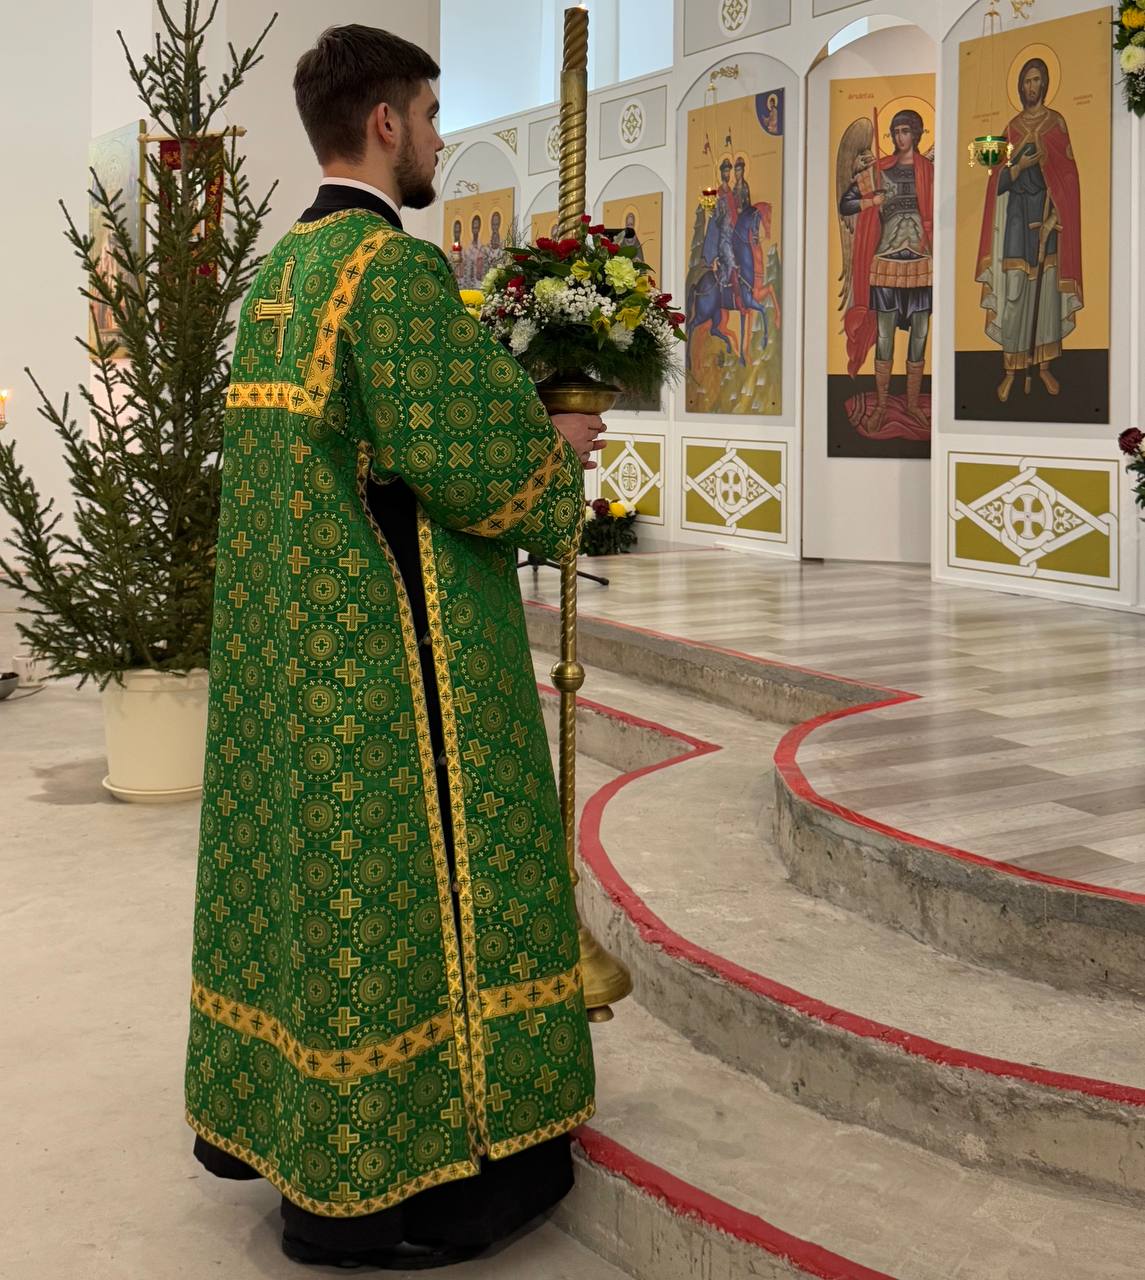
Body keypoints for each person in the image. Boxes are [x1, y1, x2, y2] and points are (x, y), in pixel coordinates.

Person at [183, 23, 605, 1271]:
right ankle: (420, 1185)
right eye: (427, 115)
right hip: (390, 665)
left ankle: (309, 1149)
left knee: (323, 909)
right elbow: (466, 458)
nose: (435, 138)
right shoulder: (390, 271)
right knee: (415, 907)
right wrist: (556, 456)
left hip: (295, 666)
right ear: (383, 123)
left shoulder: (282, 276)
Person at [975, 56, 1082, 402]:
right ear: (1020, 86)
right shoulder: (1011, 129)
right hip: (1017, 223)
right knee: (1015, 294)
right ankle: (1011, 371)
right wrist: (1018, 166)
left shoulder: (1056, 123)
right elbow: (996, 182)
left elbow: (1068, 179)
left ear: (1045, 83)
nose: (1031, 87)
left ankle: (1044, 366)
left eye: (1036, 80)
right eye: (1026, 81)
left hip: (1047, 221)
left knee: (1047, 296)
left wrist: (1054, 220)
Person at [838, 108, 934, 432]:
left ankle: (912, 404)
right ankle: (881, 405)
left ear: (916, 134)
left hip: (921, 263)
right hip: (886, 263)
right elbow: (846, 203)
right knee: (884, 335)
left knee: (920, 335)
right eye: (895, 132)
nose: (899, 137)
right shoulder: (878, 172)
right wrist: (871, 202)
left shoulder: (929, 172)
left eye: (905, 131)